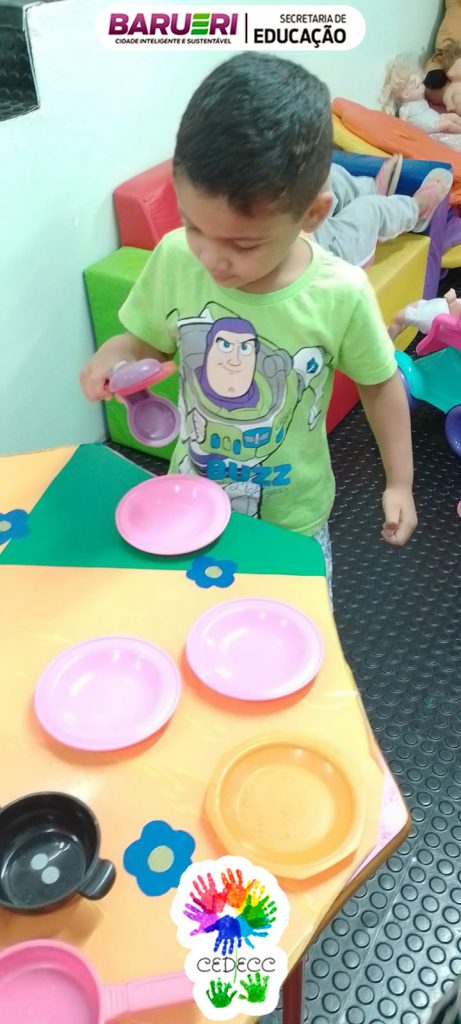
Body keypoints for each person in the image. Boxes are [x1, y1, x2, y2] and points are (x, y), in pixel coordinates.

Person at [80, 53, 420, 595]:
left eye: (241, 244)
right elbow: (146, 343)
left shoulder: (339, 293)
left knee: (292, 615)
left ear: (312, 215)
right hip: (190, 496)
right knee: (186, 611)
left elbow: (380, 385)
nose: (212, 258)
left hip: (292, 514)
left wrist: (399, 481)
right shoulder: (175, 258)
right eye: (193, 225)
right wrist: (114, 358)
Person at [316, 158, 453, 268]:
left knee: (327, 176)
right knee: (369, 209)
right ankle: (416, 209)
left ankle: (371, 192)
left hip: (314, 233)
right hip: (330, 255)